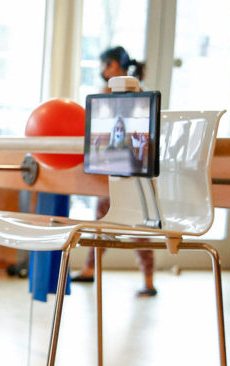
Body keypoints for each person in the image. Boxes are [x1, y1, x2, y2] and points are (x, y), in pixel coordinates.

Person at [72, 45, 157, 297]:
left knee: (135, 225)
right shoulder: (111, 92)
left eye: (105, 65)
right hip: (113, 165)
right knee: (103, 220)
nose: (103, 70)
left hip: (131, 166)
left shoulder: (130, 91)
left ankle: (148, 280)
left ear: (116, 65)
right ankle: (90, 269)